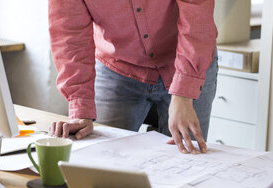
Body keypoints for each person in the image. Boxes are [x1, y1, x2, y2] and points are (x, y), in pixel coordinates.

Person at [48, 0, 218, 154]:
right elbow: (70, 36)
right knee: (102, 157)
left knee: (187, 159)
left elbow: (197, 18)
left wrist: (184, 94)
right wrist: (80, 107)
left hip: (187, 62)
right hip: (117, 67)